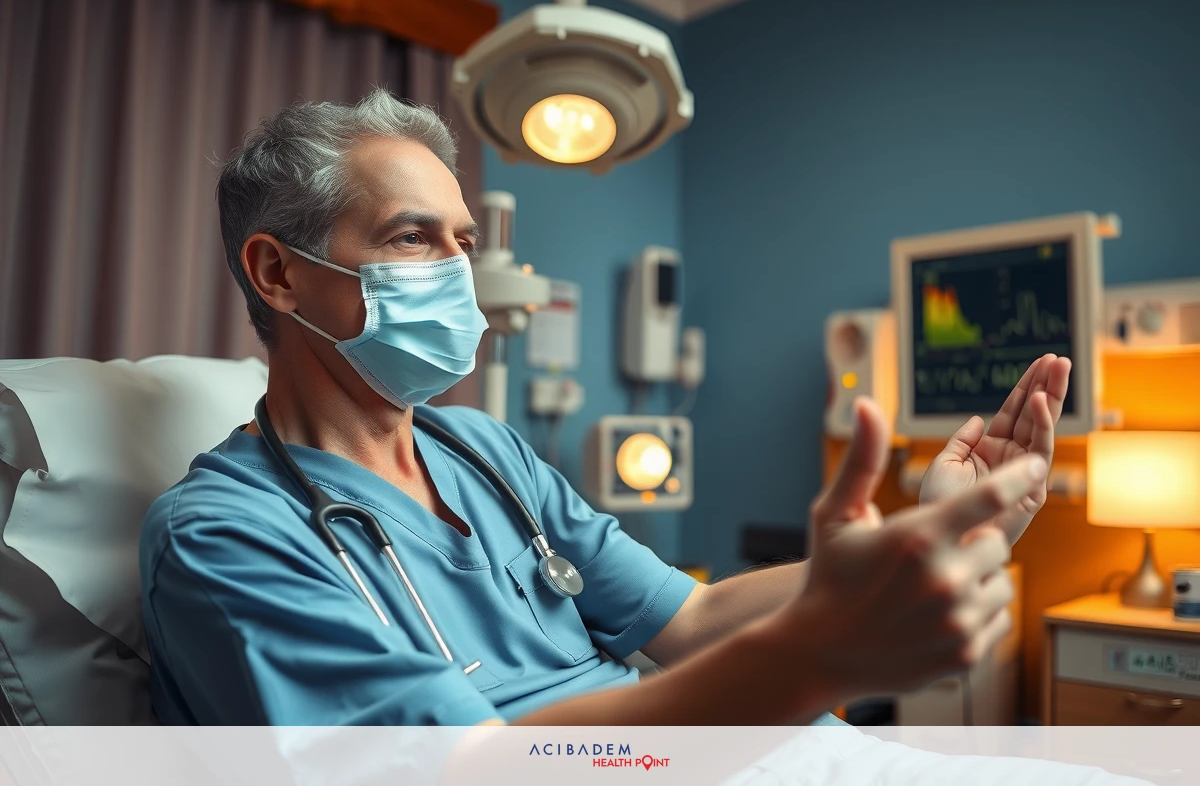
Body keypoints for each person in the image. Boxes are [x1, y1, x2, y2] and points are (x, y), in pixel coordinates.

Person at [141, 90, 1065, 732]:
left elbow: (695, 622)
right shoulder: (222, 535)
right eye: (412, 237)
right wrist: (816, 659)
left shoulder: (483, 453)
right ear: (278, 274)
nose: (459, 275)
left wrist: (927, 535)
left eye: (463, 242)